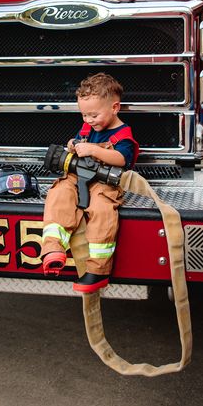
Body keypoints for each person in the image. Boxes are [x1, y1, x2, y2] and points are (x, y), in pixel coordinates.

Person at [40, 73, 139, 293]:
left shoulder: (123, 134)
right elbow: (77, 142)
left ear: (115, 108)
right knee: (59, 192)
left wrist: (93, 150)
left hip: (106, 182)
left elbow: (122, 159)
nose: (88, 121)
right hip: (79, 176)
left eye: (93, 115)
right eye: (84, 115)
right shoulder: (88, 128)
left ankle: (98, 270)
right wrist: (73, 144)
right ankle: (53, 248)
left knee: (102, 208)